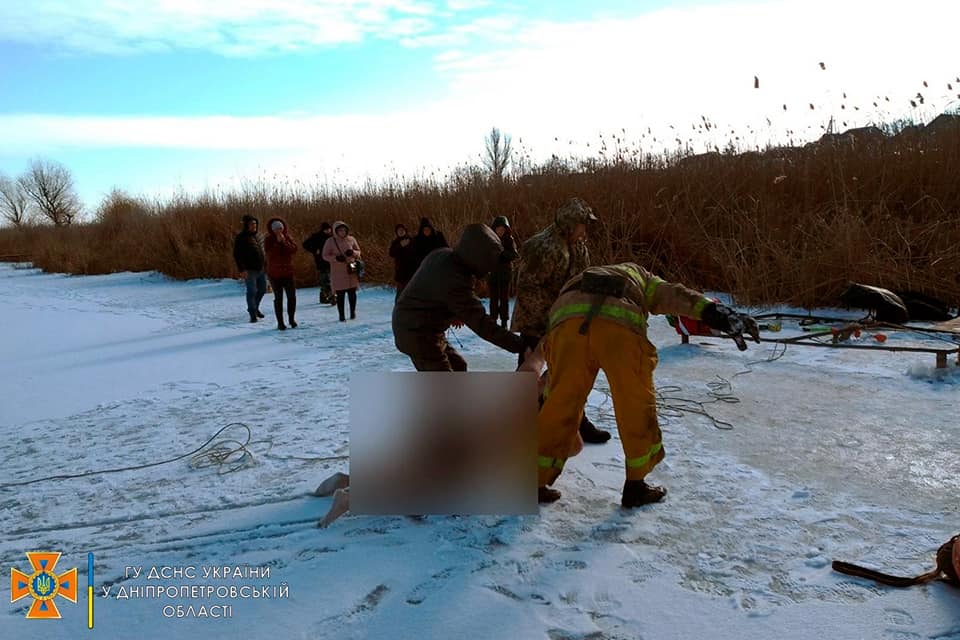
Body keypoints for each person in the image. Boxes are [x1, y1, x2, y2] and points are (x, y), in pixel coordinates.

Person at [529, 262, 759, 506]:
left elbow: (556, 312)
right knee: (635, 405)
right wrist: (715, 312)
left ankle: (534, 481)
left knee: (559, 403)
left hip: (567, 328)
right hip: (619, 330)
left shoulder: (581, 277)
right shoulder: (641, 276)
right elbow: (674, 295)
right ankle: (635, 486)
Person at [511, 197, 611, 444]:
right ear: (570, 223)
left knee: (570, 372)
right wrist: (551, 318)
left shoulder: (578, 245)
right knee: (530, 372)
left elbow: (581, 279)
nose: (585, 230)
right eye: (582, 224)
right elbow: (527, 288)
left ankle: (577, 422)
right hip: (537, 320)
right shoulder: (545, 247)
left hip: (564, 318)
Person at [393, 223, 533, 371]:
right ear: (478, 256)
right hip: (415, 332)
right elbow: (481, 324)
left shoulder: (444, 255)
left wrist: (453, 311)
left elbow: (431, 292)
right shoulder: (455, 279)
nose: (489, 270)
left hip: (418, 324)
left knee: (459, 366)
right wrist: (521, 346)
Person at [322, 221, 362, 322]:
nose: (342, 232)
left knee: (352, 293)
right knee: (340, 294)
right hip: (338, 271)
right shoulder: (330, 241)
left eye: (344, 230)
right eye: (340, 230)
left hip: (351, 269)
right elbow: (325, 255)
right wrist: (335, 258)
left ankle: (352, 312)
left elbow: (359, 252)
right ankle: (341, 315)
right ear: (336, 231)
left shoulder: (351, 239)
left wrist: (353, 252)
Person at [263, 218, 299, 330]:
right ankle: (280, 322)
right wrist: (278, 243)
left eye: (280, 228)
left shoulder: (288, 237)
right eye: (276, 229)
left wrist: (283, 242)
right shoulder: (268, 240)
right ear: (272, 230)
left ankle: (291, 319)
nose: (278, 231)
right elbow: (269, 254)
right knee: (278, 298)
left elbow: (294, 249)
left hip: (288, 272)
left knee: (292, 297)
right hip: (274, 273)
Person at [487, 215, 520, 328]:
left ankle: (504, 322)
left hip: (505, 274)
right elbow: (484, 255)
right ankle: (493, 320)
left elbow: (515, 255)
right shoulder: (489, 240)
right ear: (494, 229)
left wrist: (503, 252)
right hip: (492, 273)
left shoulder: (509, 240)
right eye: (498, 229)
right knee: (493, 299)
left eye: (503, 229)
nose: (500, 231)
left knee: (504, 299)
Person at [233, 214, 266, 323]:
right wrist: (242, 270)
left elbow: (262, 251)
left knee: (262, 289)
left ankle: (255, 307)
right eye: (251, 224)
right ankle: (252, 313)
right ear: (246, 225)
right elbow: (237, 255)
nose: (254, 226)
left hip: (261, 268)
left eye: (255, 224)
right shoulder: (241, 237)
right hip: (249, 269)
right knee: (252, 291)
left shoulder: (258, 236)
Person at [302, 222, 335, 305]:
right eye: (326, 229)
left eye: (329, 229)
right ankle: (327, 296)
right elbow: (305, 244)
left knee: (331, 279)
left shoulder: (332, 237)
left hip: (331, 260)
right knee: (325, 279)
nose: (328, 231)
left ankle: (327, 296)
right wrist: (314, 250)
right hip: (321, 261)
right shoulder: (316, 236)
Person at [388, 223, 419, 301]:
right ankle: (398, 307)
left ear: (405, 231)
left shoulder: (411, 240)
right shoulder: (395, 242)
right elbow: (391, 253)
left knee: (412, 292)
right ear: (396, 232)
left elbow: (416, 253)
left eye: (402, 230)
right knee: (400, 293)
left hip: (412, 270)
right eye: (399, 231)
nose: (401, 232)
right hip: (401, 272)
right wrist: (400, 246)